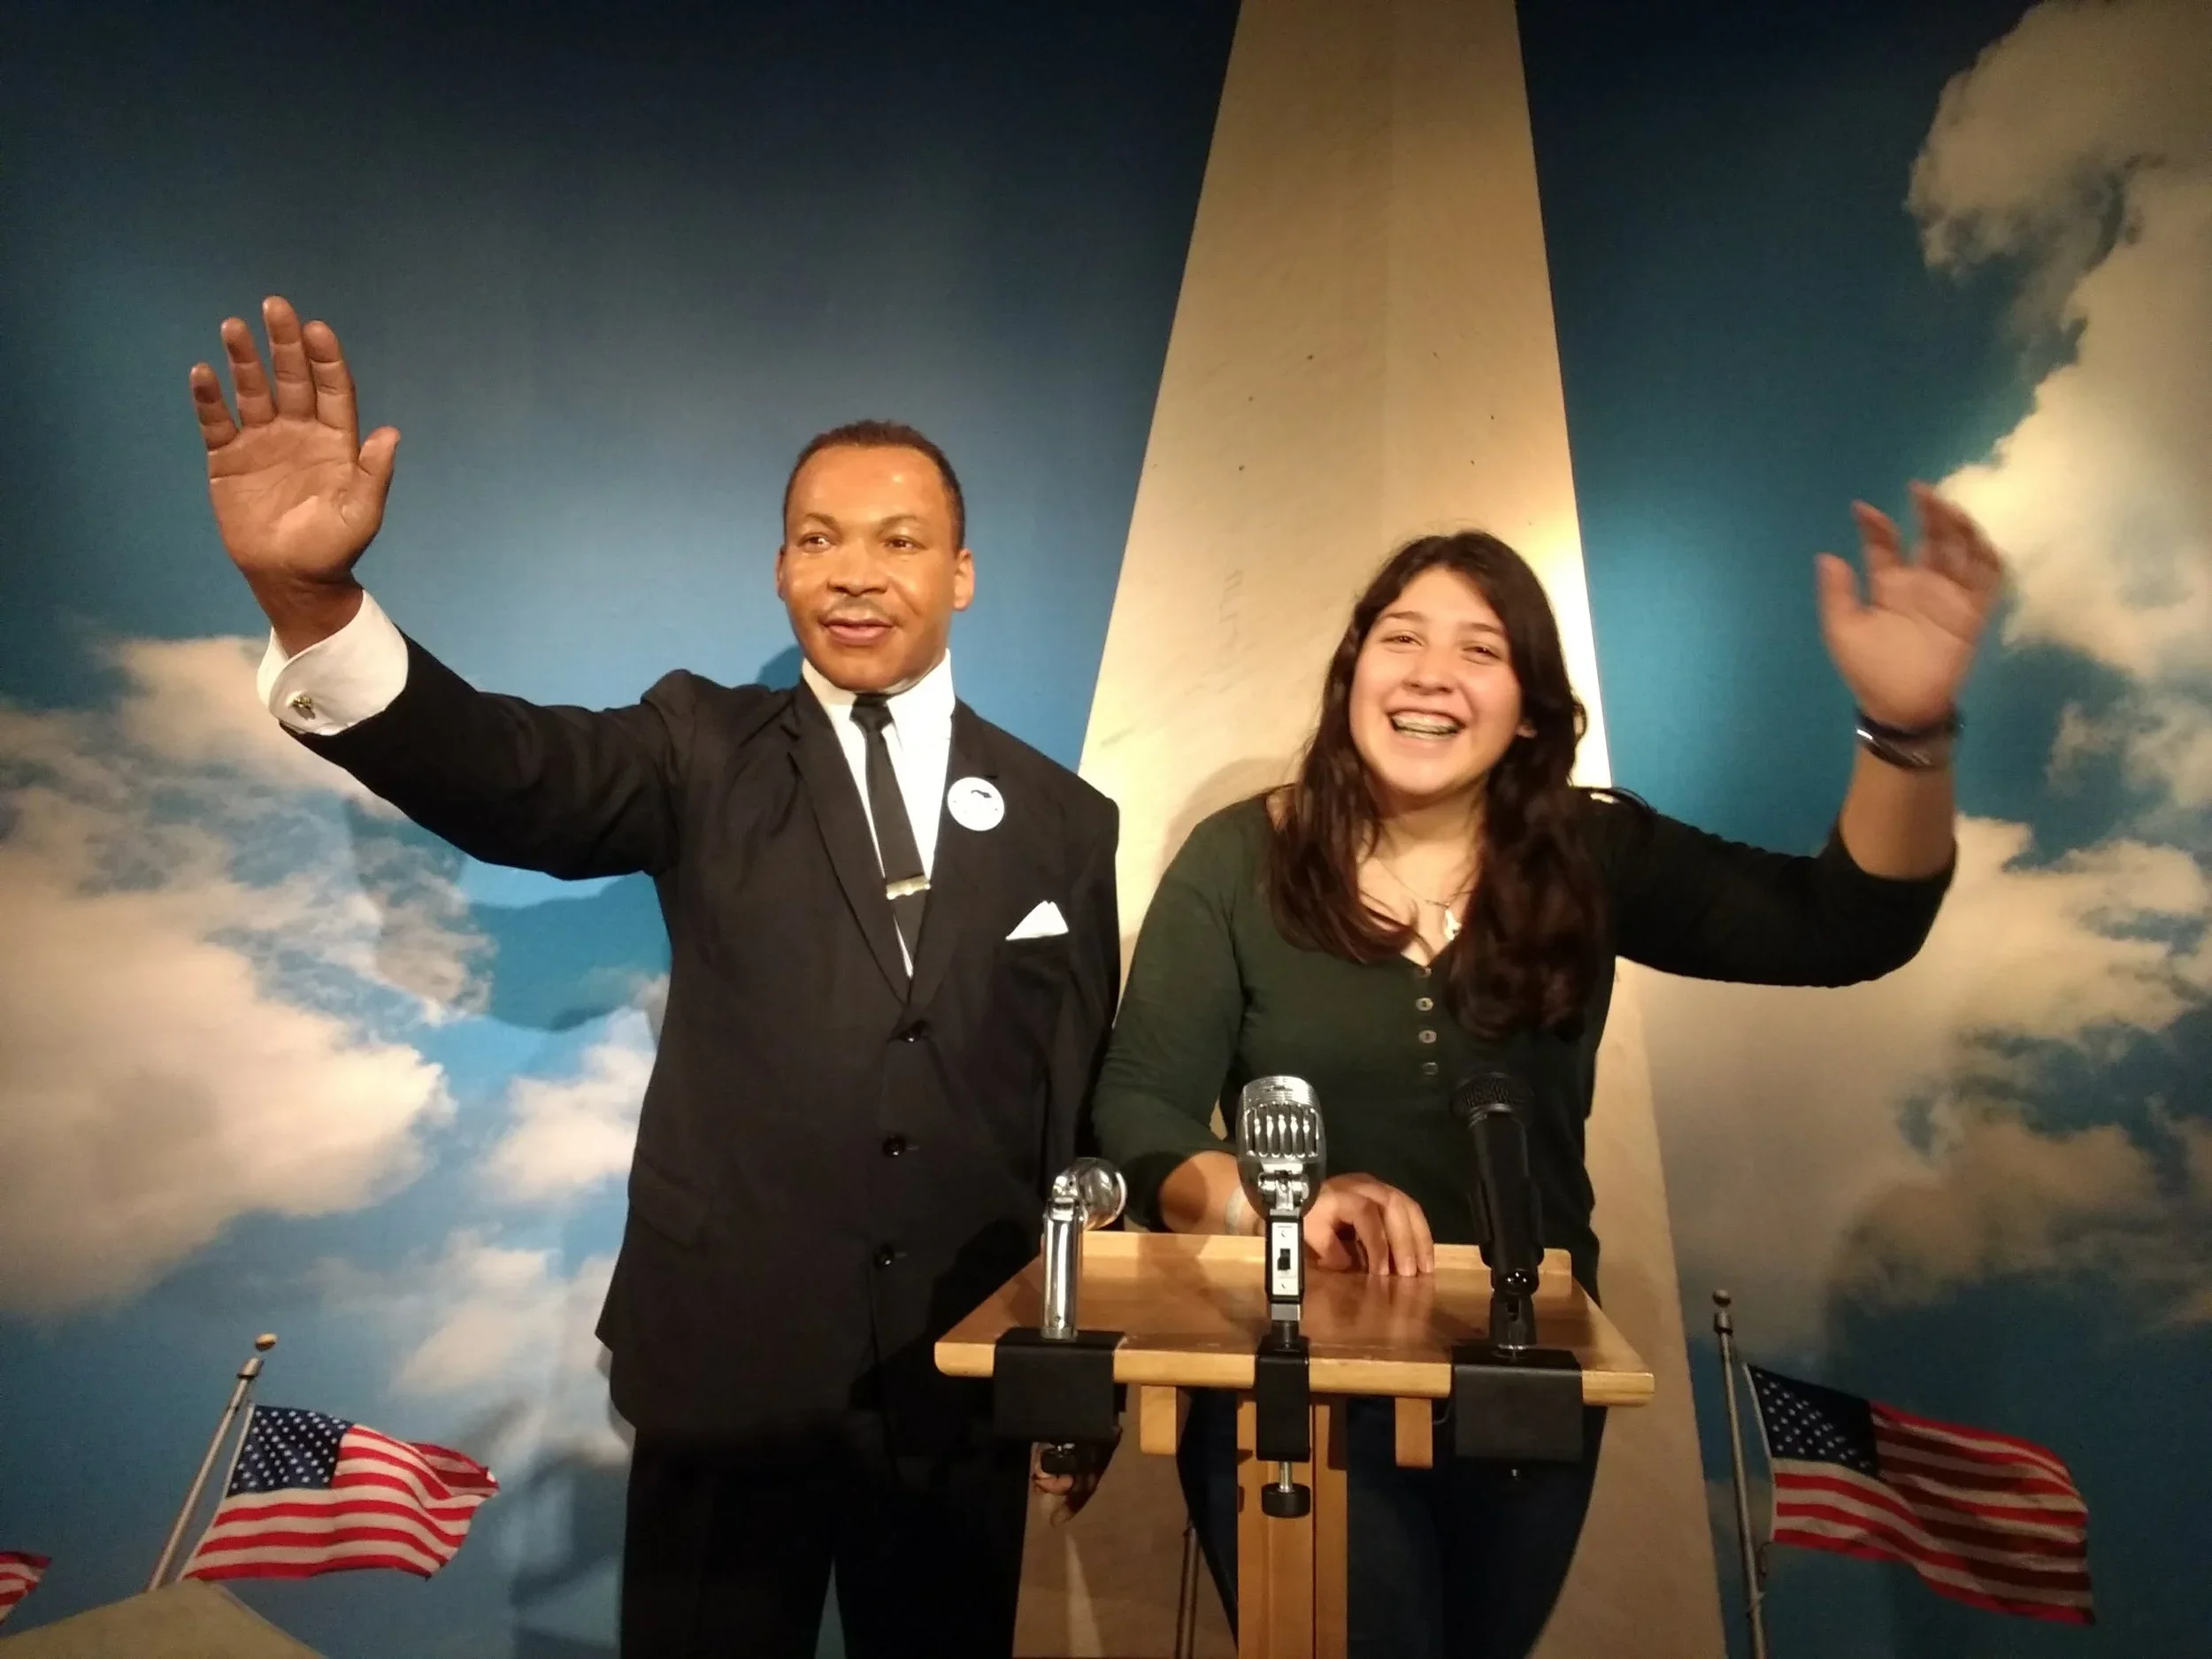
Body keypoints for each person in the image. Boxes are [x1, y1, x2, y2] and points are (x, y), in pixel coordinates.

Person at [188, 297, 1121, 1659]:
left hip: (962, 1385)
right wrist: (309, 597)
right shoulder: (697, 741)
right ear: (780, 568)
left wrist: (1072, 1360)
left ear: (963, 574)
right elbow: (512, 775)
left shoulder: (1063, 819)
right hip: (726, 1377)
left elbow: (1076, 1111)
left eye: (899, 540)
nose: (855, 572)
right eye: (819, 538)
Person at [1092, 497, 2001, 1659]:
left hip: (1530, 1372)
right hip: (1296, 1371)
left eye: (1483, 650)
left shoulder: (1592, 851)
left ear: (1528, 712)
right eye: (1402, 636)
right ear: (1352, 669)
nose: (1434, 673)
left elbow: (1847, 929)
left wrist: (1904, 729)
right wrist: (1282, 1203)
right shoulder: (1240, 857)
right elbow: (1138, 1108)